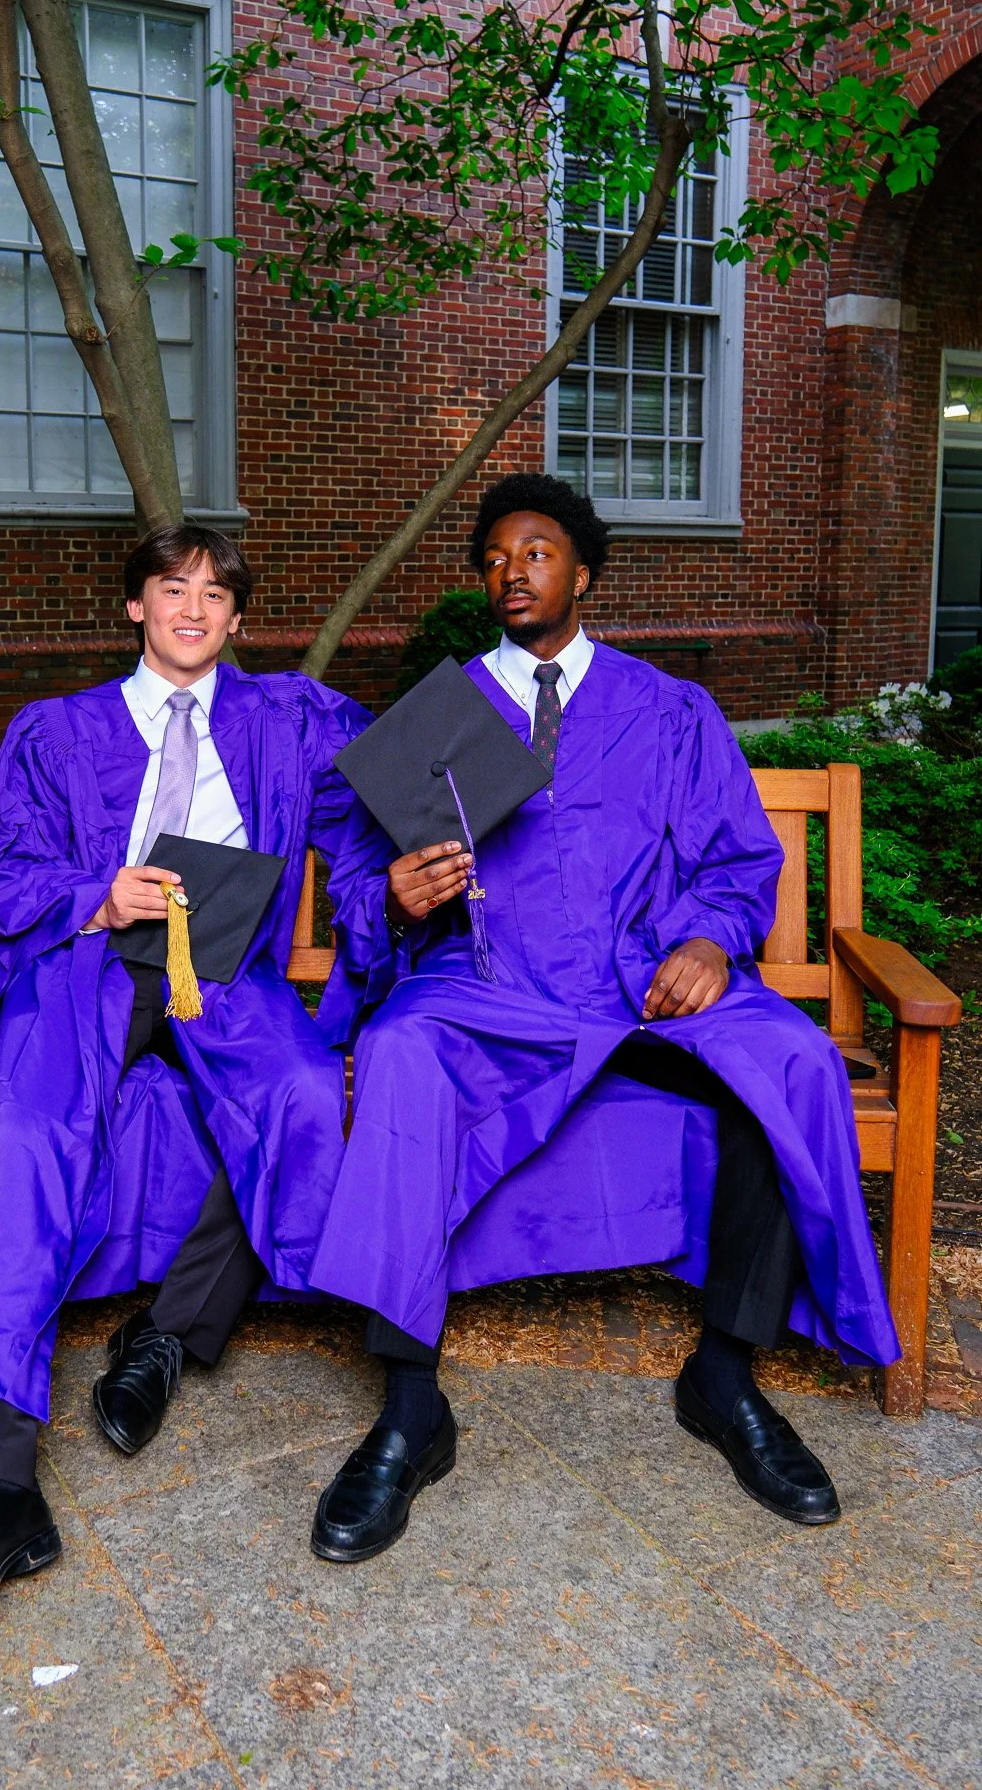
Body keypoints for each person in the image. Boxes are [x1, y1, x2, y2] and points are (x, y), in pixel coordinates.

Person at [307, 473, 899, 1565]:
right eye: (492, 555)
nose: (510, 569)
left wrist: (715, 940)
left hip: (638, 984)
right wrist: (394, 895)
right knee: (397, 1051)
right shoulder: (435, 717)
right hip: (489, 984)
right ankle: (408, 1404)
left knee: (789, 1060)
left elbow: (734, 856)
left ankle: (725, 1372)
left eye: (534, 551)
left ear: (584, 570)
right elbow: (361, 868)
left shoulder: (670, 708)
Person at [0, 524, 392, 1623]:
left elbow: (395, 778)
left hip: (226, 971)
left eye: (217, 593)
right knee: (23, 1131)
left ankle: (168, 1327)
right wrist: (96, 892)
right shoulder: (52, 730)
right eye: (173, 588)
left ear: (239, 619)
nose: (195, 608)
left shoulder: (288, 716)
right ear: (136, 606)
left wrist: (490, 782)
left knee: (301, 1095)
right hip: (88, 968)